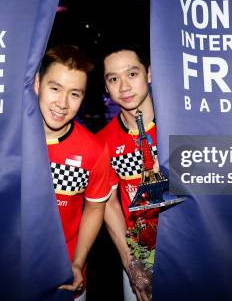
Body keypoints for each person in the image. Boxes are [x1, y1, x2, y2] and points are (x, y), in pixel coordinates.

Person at [34, 45, 112, 300]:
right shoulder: (8, 139)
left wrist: (77, 262)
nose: (63, 103)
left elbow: (94, 208)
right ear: (37, 83)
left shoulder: (94, 149)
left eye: (74, 94)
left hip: (64, 275)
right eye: (55, 88)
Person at [97, 43, 159, 301]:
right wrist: (131, 264)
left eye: (132, 74)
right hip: (139, 256)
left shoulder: (180, 125)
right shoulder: (103, 142)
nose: (123, 87)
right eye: (114, 78)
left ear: (149, 73)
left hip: (188, 248)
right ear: (106, 86)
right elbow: (109, 204)